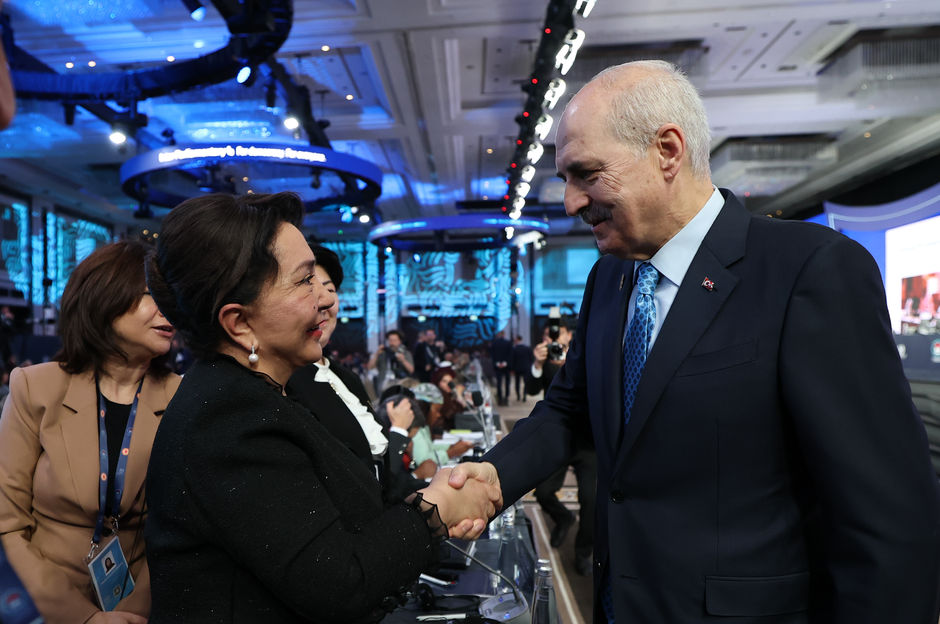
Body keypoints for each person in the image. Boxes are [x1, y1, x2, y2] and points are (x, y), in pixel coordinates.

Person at [451, 60, 940, 622]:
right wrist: (494, 477)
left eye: (586, 174)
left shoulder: (809, 270)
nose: (570, 202)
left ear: (667, 151)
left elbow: (887, 518)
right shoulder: (608, 279)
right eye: (565, 179)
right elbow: (569, 409)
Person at [143, 192, 499, 623]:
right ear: (240, 323)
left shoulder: (264, 394)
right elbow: (337, 582)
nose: (327, 300)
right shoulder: (230, 417)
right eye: (304, 281)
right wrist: (435, 509)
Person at [0, 240, 181, 624]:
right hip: (45, 600)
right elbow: (7, 523)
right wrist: (80, 616)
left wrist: (133, 612)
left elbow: (183, 530)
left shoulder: (183, 398)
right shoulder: (35, 387)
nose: (169, 309)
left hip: (141, 603)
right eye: (152, 295)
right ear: (105, 299)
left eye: (171, 297)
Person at [288, 245, 421, 503]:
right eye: (309, 290)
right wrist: (399, 432)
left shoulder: (346, 378)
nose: (324, 301)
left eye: (330, 290)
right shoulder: (289, 384)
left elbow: (387, 476)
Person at [526, 319, 596, 577]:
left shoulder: (588, 352)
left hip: (588, 439)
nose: (552, 339)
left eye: (557, 333)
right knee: (543, 491)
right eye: (548, 335)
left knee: (591, 500)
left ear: (569, 335)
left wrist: (572, 364)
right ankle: (563, 518)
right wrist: (537, 364)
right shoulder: (546, 358)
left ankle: (583, 552)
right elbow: (531, 389)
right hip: (559, 435)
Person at [367, 329, 414, 397]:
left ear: (400, 341)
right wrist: (376, 354)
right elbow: (370, 367)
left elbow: (411, 370)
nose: (392, 343)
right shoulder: (383, 353)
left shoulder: (405, 353)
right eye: (390, 340)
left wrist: (403, 360)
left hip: (401, 384)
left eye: (394, 340)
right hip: (384, 385)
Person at [490, 330, 512, 406]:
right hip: (506, 366)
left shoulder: (494, 343)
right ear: (504, 334)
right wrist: (505, 363)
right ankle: (506, 397)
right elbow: (510, 354)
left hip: (498, 366)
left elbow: (492, 355)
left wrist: (497, 363)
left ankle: (500, 399)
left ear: (499, 334)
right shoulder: (508, 343)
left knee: (499, 383)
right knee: (507, 383)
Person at [510, 334, 532, 402]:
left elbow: (512, 359)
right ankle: (524, 396)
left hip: (517, 368)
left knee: (517, 383)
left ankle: (518, 396)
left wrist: (512, 369)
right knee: (525, 382)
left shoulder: (514, 349)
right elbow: (531, 358)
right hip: (526, 368)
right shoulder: (527, 348)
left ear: (517, 340)